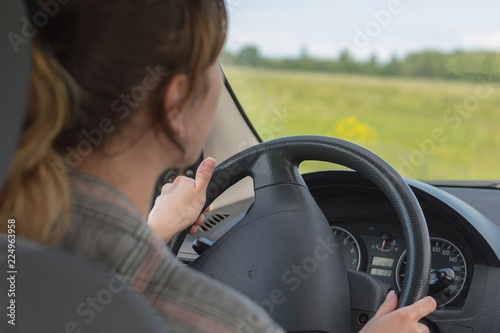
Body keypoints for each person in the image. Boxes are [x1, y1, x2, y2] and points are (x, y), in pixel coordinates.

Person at [0, 0, 436, 332]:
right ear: (175, 104)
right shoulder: (219, 320)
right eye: (216, 61)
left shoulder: (20, 250)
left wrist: (155, 230)